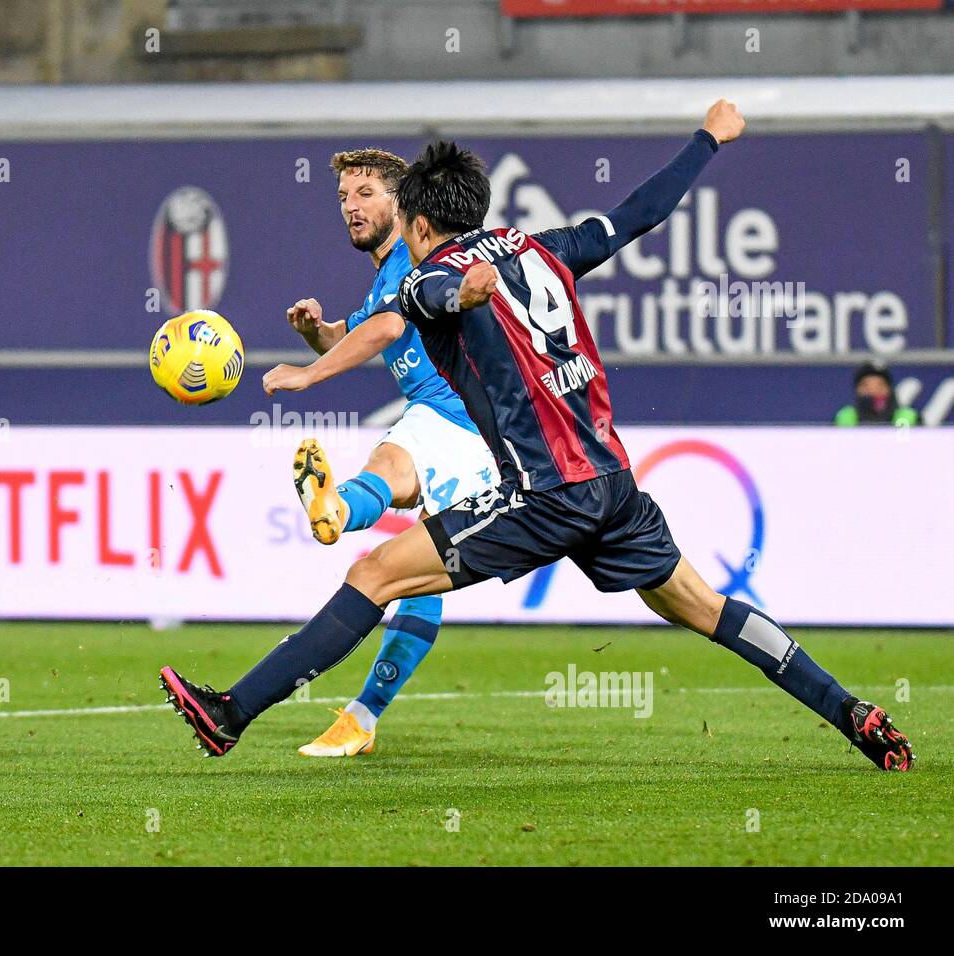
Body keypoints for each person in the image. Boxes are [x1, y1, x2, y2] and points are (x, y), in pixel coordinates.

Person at [160, 100, 914, 772]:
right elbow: (637, 214)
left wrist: (306, 375)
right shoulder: (544, 246)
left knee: (376, 575)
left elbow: (399, 317)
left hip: (544, 493)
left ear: (419, 226)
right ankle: (853, 714)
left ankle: (230, 716)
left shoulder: (428, 276)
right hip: (613, 485)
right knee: (707, 608)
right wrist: (708, 139)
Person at [260, 149, 496, 757]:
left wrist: (309, 373)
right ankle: (362, 719)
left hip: (464, 419)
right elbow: (361, 329)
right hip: (459, 422)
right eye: (342, 197)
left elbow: (388, 329)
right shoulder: (387, 275)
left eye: (365, 193)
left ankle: (338, 510)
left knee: (394, 467)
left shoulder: (414, 266)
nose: (351, 207)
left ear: (401, 202)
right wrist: (318, 332)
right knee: (419, 579)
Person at [834, 360, 919, 427]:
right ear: (857, 390)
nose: (873, 391)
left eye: (880, 386)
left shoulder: (908, 418)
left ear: (889, 389)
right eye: (865, 386)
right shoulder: (845, 418)